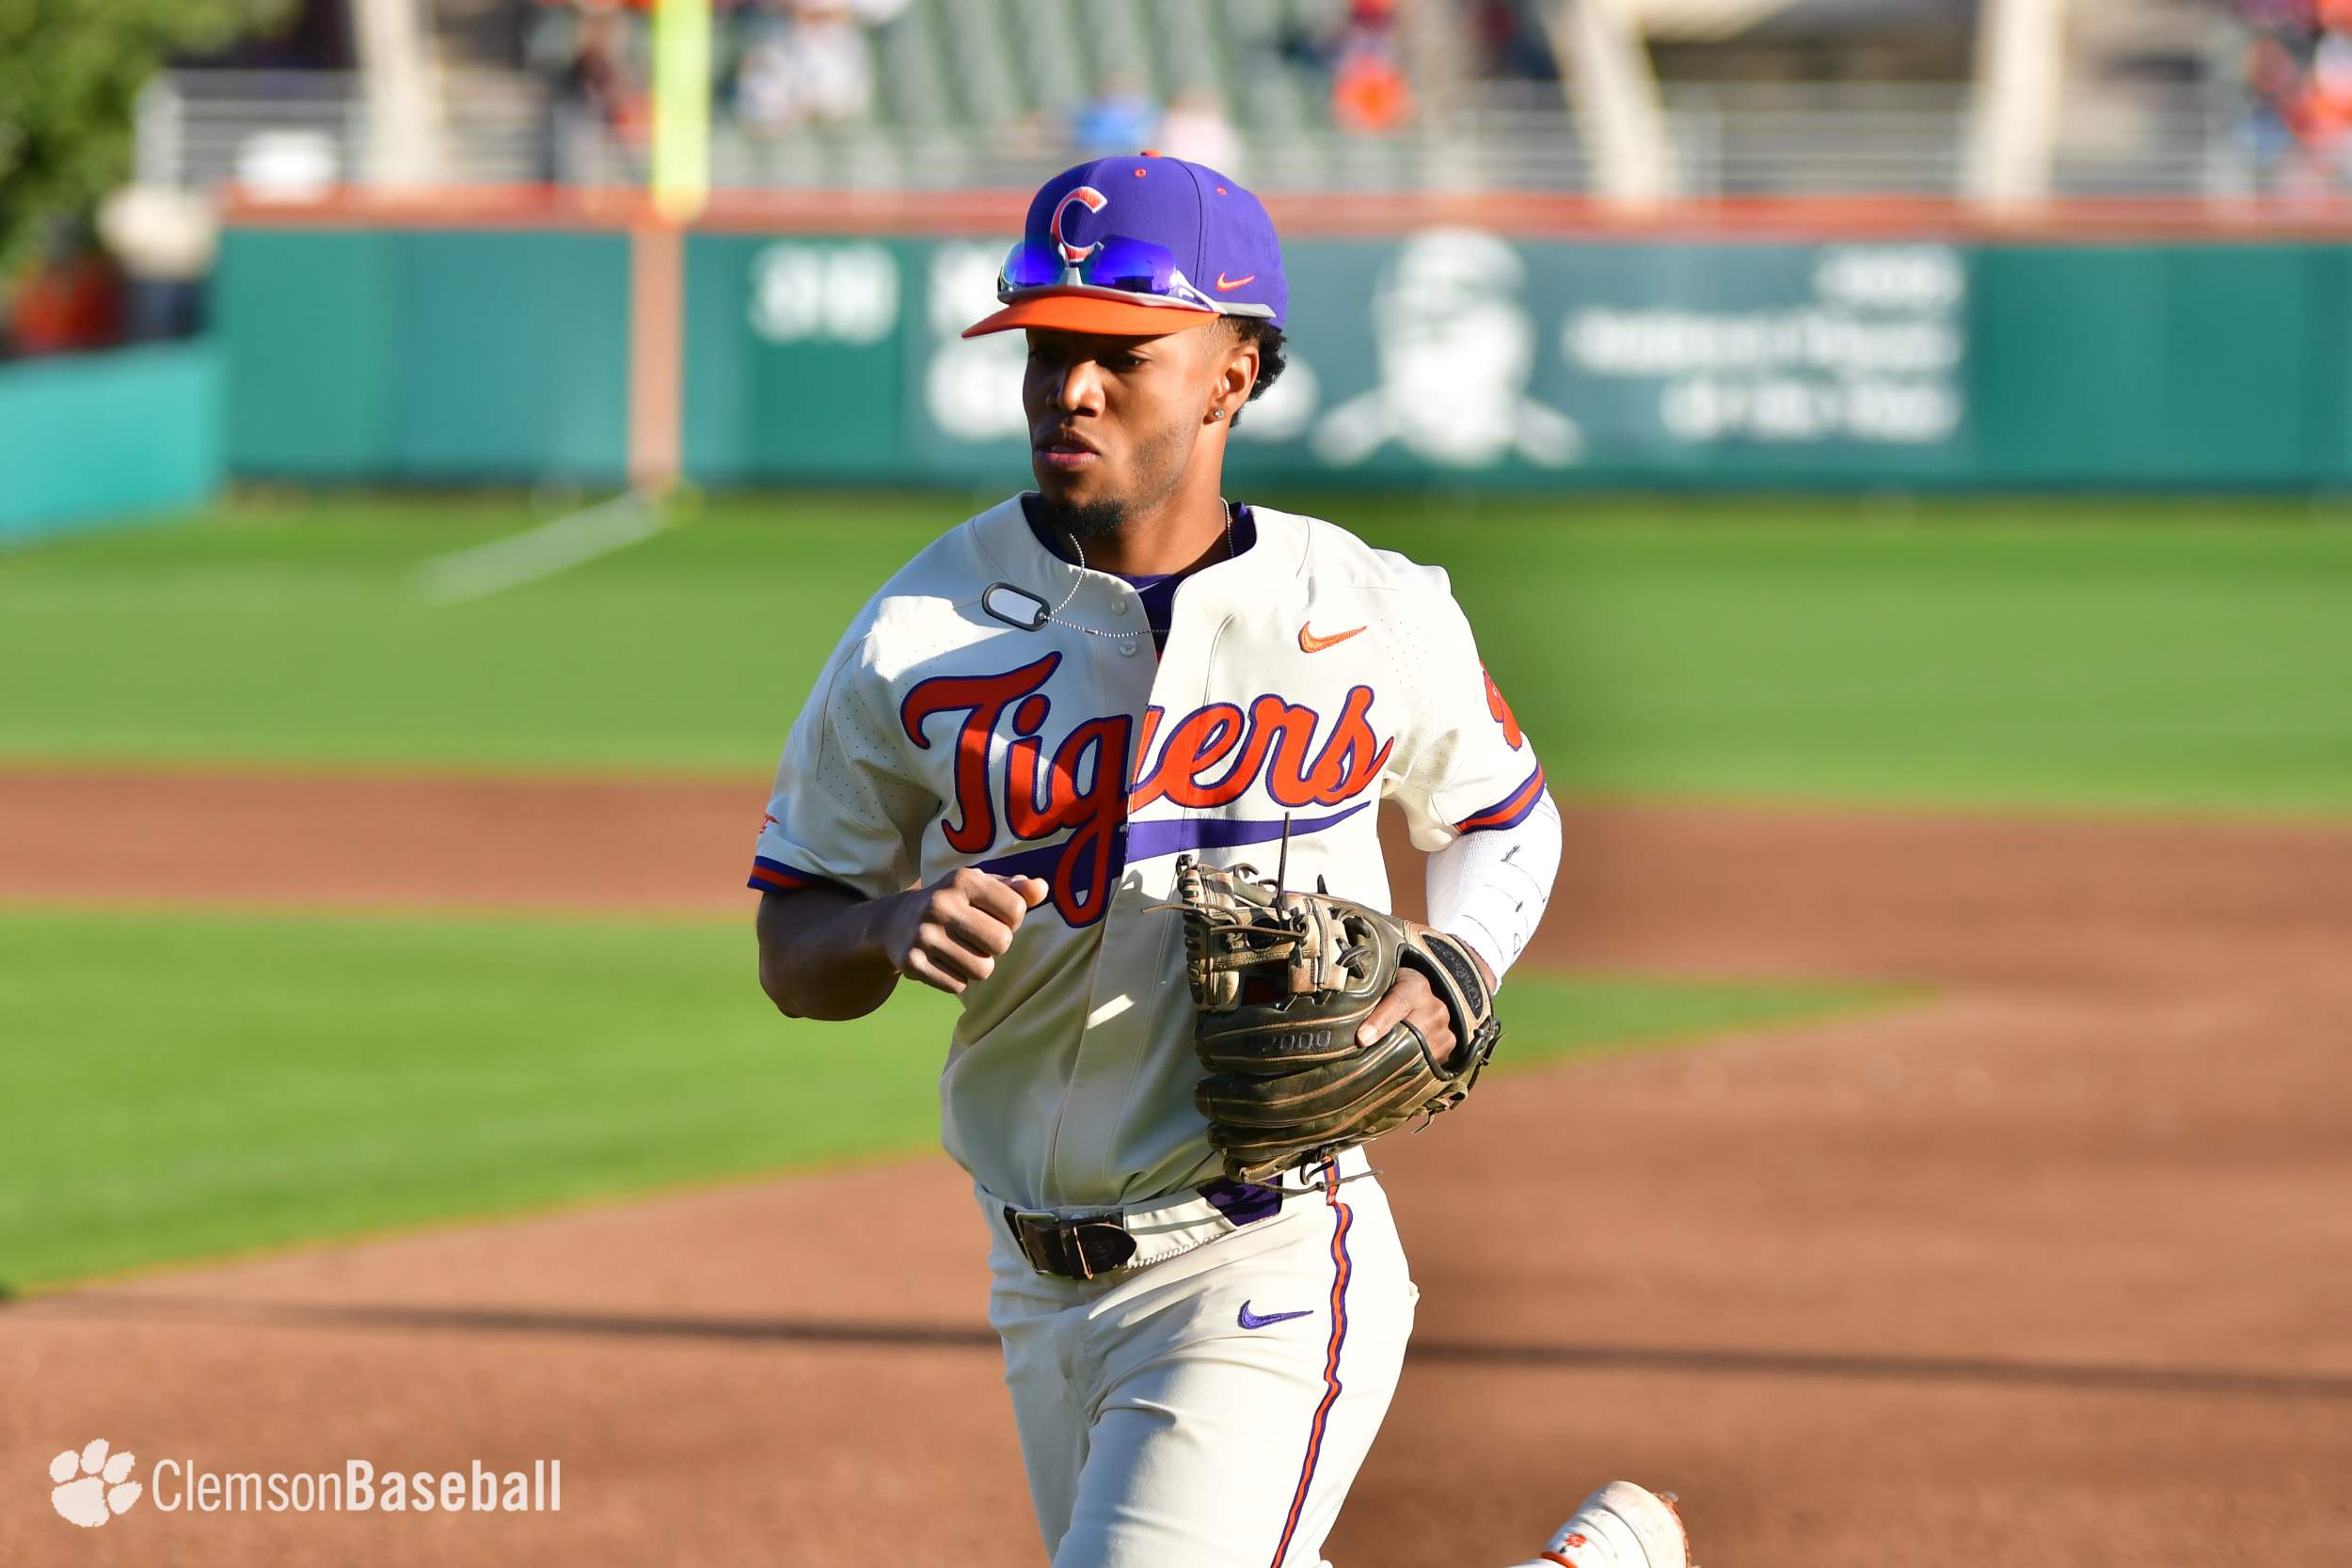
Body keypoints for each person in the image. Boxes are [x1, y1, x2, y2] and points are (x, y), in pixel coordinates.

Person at [748, 152, 1692, 1568]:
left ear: (1231, 376)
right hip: (1033, 1279)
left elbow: (1503, 816)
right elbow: (792, 943)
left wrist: (1457, 968)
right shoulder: (920, 628)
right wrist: (884, 928)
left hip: (1265, 1251)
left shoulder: (1365, 609)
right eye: (1046, 348)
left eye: (1122, 354)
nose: (1070, 388)